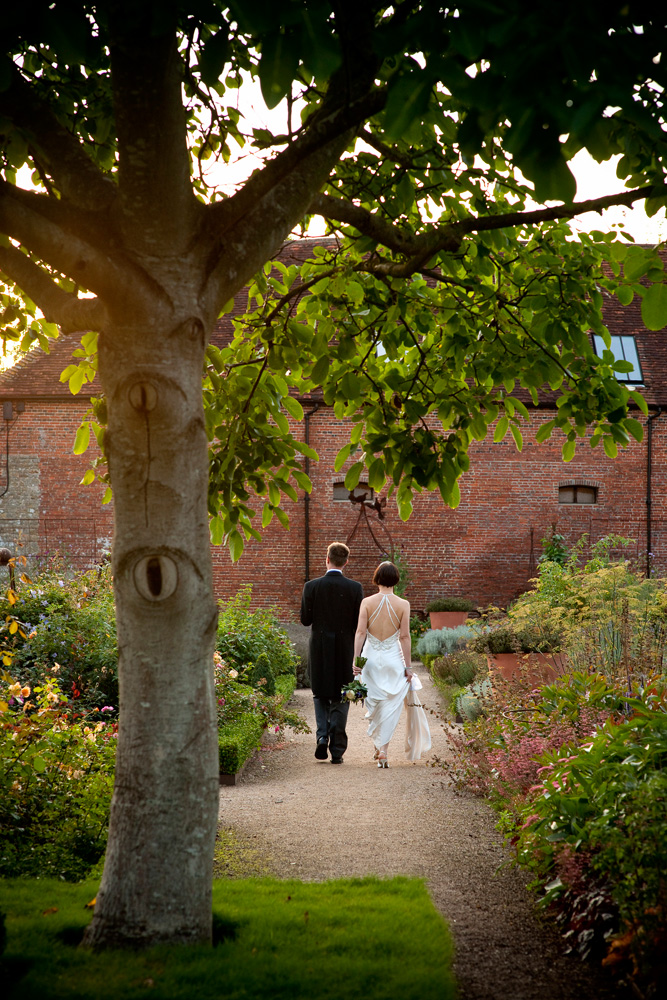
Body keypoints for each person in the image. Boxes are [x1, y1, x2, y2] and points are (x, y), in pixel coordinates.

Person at [353, 561, 431, 768]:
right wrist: (408, 667)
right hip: (392, 659)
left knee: (375, 704)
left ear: (377, 578)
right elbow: (405, 637)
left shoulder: (367, 602)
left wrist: (356, 661)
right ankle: (383, 750)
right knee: (390, 705)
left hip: (369, 657)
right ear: (396, 579)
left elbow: (360, 633)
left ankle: (379, 747)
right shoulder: (403, 605)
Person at [300, 541, 364, 764]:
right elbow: (359, 623)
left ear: (326, 559)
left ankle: (321, 736)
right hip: (345, 648)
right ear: (346, 562)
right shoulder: (355, 588)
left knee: (320, 694)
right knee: (342, 694)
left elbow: (305, 619)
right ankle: (337, 749)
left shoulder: (311, 586)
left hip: (319, 647)